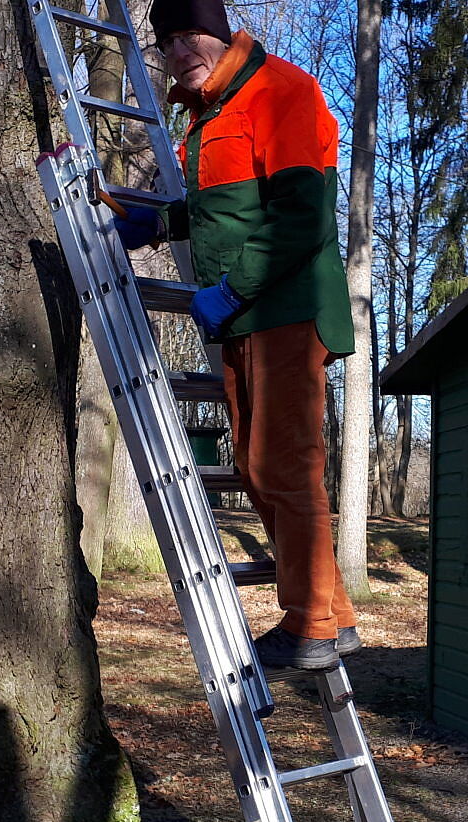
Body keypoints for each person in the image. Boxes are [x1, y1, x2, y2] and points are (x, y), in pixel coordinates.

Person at [113, 0, 361, 673]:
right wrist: (158, 223)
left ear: (221, 37)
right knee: (255, 467)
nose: (178, 53)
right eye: (167, 43)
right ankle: (332, 616)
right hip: (244, 319)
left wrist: (231, 288)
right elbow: (223, 209)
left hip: (286, 310)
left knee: (286, 465)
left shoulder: (281, 90)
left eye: (190, 37)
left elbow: (301, 214)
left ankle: (310, 624)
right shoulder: (208, 115)